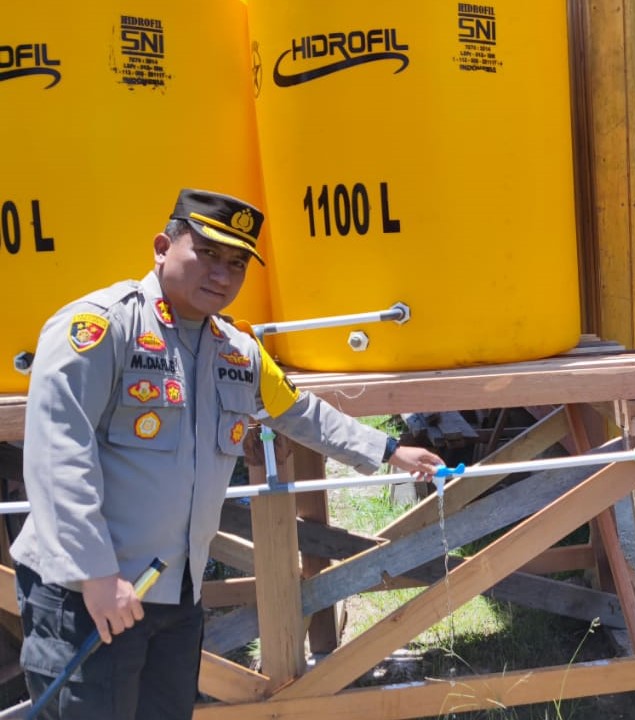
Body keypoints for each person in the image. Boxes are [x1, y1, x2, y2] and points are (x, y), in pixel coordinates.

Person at [11, 188, 443, 720]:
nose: (222, 274)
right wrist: (96, 575)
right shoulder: (103, 328)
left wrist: (390, 449)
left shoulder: (237, 350)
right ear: (162, 247)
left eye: (237, 263)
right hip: (88, 595)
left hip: (174, 597)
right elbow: (59, 455)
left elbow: (298, 412)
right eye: (208, 253)